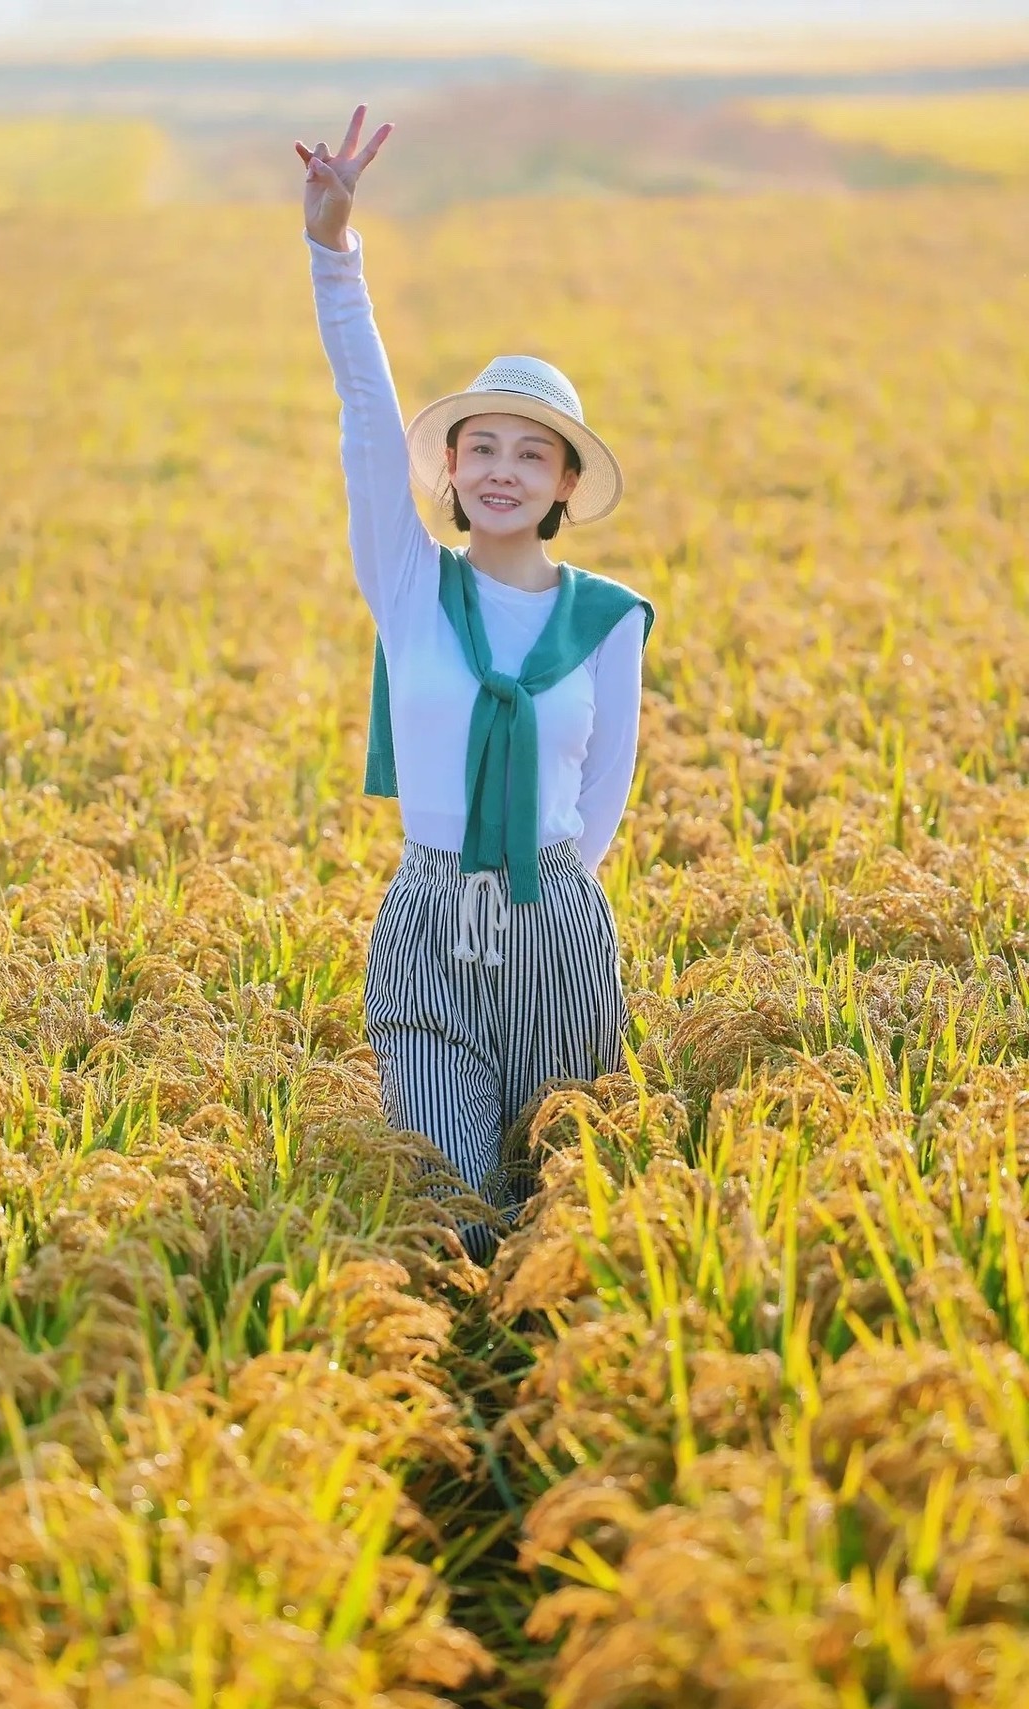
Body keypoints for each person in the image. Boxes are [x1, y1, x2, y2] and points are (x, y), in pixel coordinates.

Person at [297, 106, 656, 1266]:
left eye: (531, 453)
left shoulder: (606, 622)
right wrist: (334, 252)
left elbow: (602, 794)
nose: (503, 471)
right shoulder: (412, 588)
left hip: (556, 925)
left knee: (560, 1205)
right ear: (449, 468)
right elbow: (365, 419)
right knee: (457, 1210)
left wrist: (535, 900)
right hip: (427, 919)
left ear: (563, 484)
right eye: (482, 448)